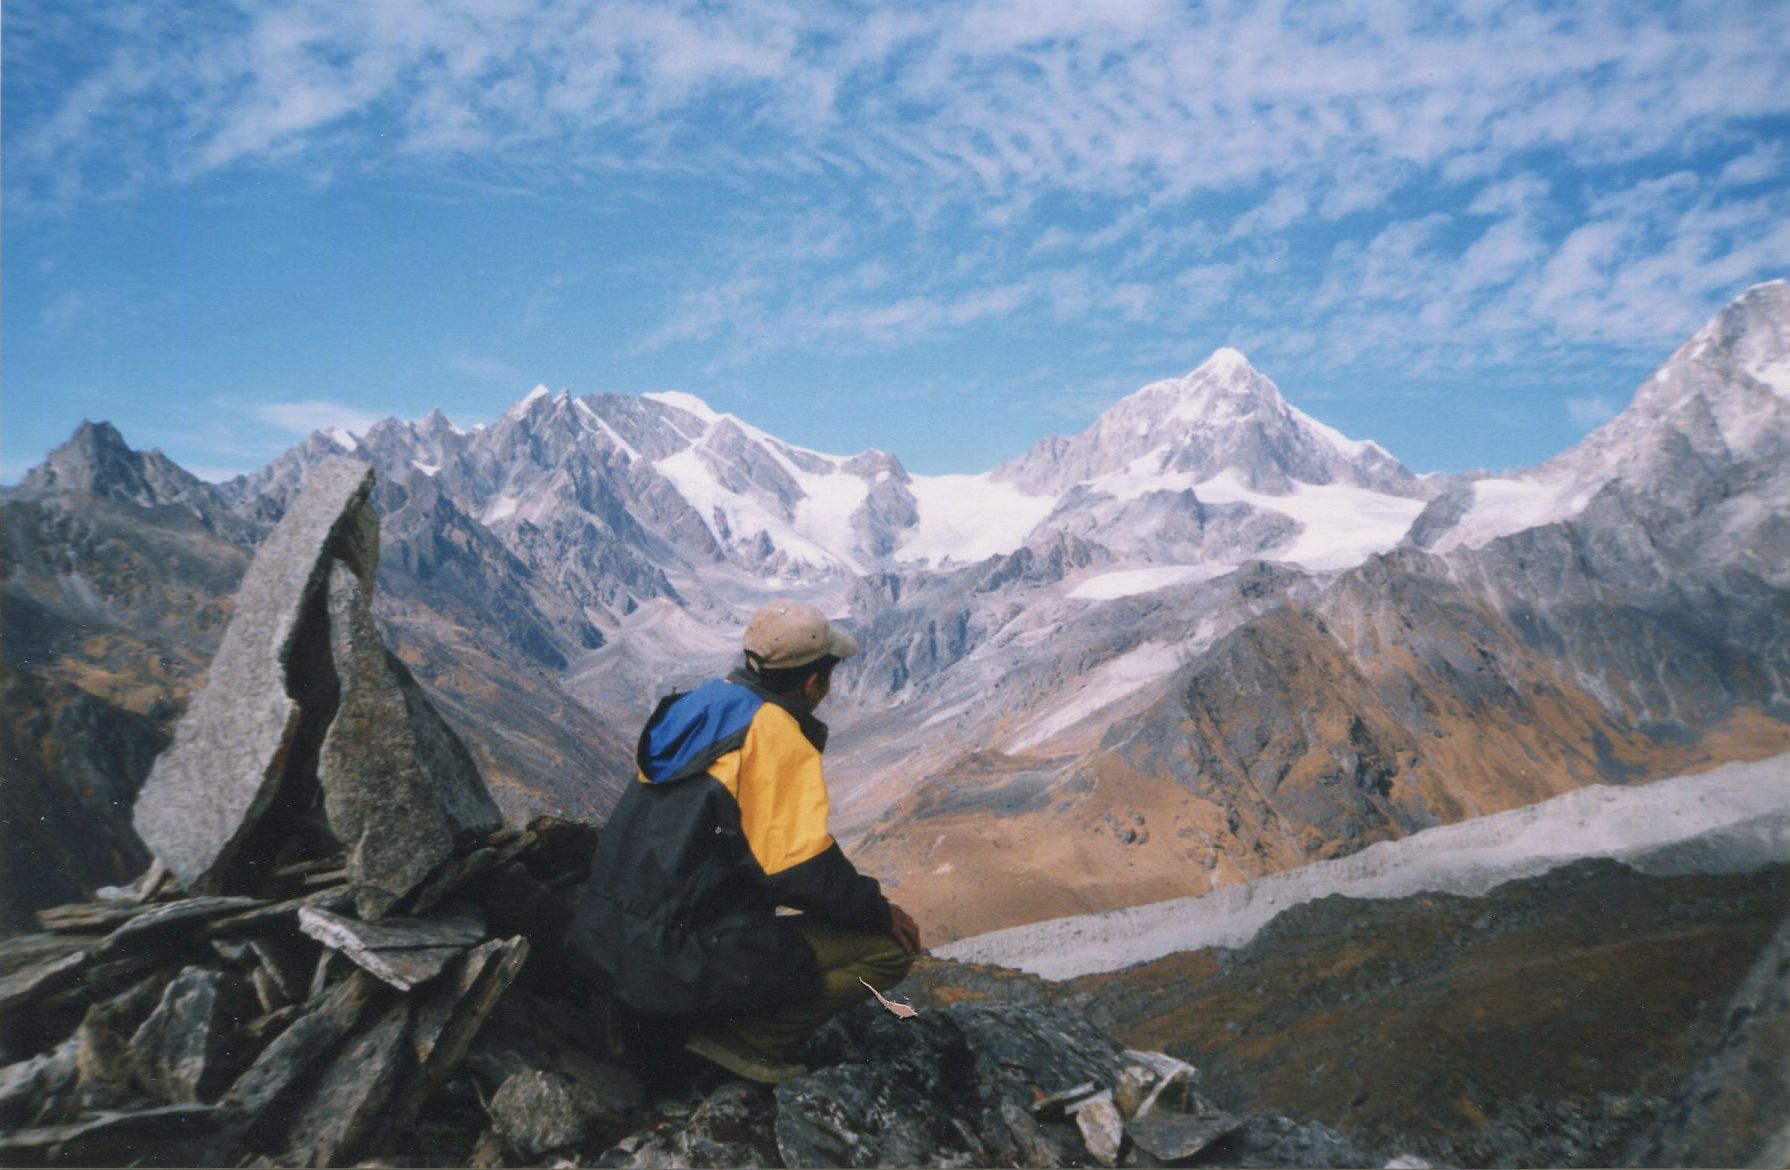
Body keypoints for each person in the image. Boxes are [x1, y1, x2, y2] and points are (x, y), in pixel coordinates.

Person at [566, 599, 922, 1084]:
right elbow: (800, 869)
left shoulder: (699, 705)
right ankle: (743, 1042)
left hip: (605, 936)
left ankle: (662, 1018)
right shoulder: (773, 735)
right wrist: (880, 911)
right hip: (675, 952)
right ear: (815, 682)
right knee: (884, 951)